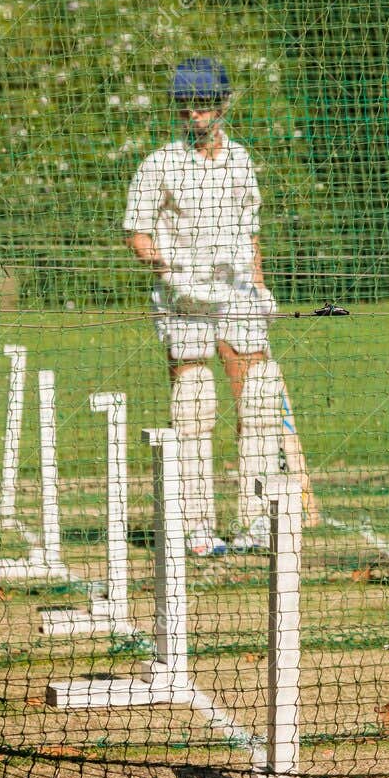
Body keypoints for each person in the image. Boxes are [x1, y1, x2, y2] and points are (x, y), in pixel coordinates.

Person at [124, 57, 297, 556]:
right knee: (194, 404)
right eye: (186, 108)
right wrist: (168, 271)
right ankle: (196, 526)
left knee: (260, 402)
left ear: (222, 106)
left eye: (203, 107)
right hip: (183, 299)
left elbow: (250, 232)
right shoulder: (160, 163)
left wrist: (260, 287)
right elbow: (137, 233)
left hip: (238, 293)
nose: (195, 117)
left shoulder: (241, 160)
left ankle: (259, 519)